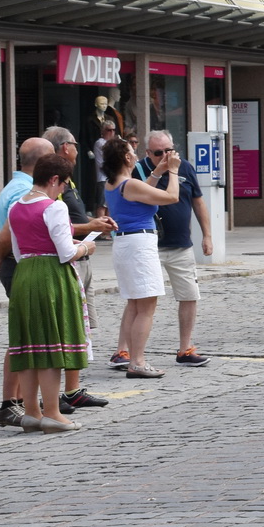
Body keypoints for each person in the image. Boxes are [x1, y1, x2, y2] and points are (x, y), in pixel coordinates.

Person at [0, 153, 97, 433]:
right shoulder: (54, 207)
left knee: (29, 346)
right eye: (64, 183)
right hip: (50, 275)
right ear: (54, 179)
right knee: (52, 345)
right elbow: (65, 253)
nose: (63, 189)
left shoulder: (16, 206)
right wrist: (86, 248)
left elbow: (17, 250)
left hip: (25, 274)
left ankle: (31, 412)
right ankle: (52, 412)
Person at [0, 137, 60, 426]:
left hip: (16, 263)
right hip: (23, 264)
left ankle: (25, 401)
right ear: (42, 163)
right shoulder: (26, 191)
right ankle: (11, 402)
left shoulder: (17, 186)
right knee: (24, 336)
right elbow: (10, 231)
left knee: (26, 334)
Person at [42, 126, 115, 413]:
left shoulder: (67, 182)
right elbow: (60, 228)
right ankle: (51, 398)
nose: (77, 147)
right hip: (69, 259)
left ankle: (72, 390)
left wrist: (89, 227)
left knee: (81, 326)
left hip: (79, 260)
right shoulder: (49, 189)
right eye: (73, 142)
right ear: (63, 148)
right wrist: (90, 230)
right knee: (63, 329)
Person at [102, 136, 181, 378]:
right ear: (126, 158)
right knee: (146, 306)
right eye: (131, 151)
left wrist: (157, 171)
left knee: (134, 304)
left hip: (125, 243)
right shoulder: (130, 185)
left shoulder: (113, 184)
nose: (135, 155)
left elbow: (142, 192)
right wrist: (174, 173)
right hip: (139, 244)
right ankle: (137, 361)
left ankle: (130, 356)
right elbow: (171, 197)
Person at [134, 130, 213, 368]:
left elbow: (198, 201)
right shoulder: (139, 170)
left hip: (181, 244)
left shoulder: (185, 167)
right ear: (148, 153)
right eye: (158, 153)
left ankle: (185, 348)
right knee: (140, 301)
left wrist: (207, 235)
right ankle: (126, 352)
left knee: (189, 295)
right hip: (150, 245)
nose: (165, 156)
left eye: (169, 150)